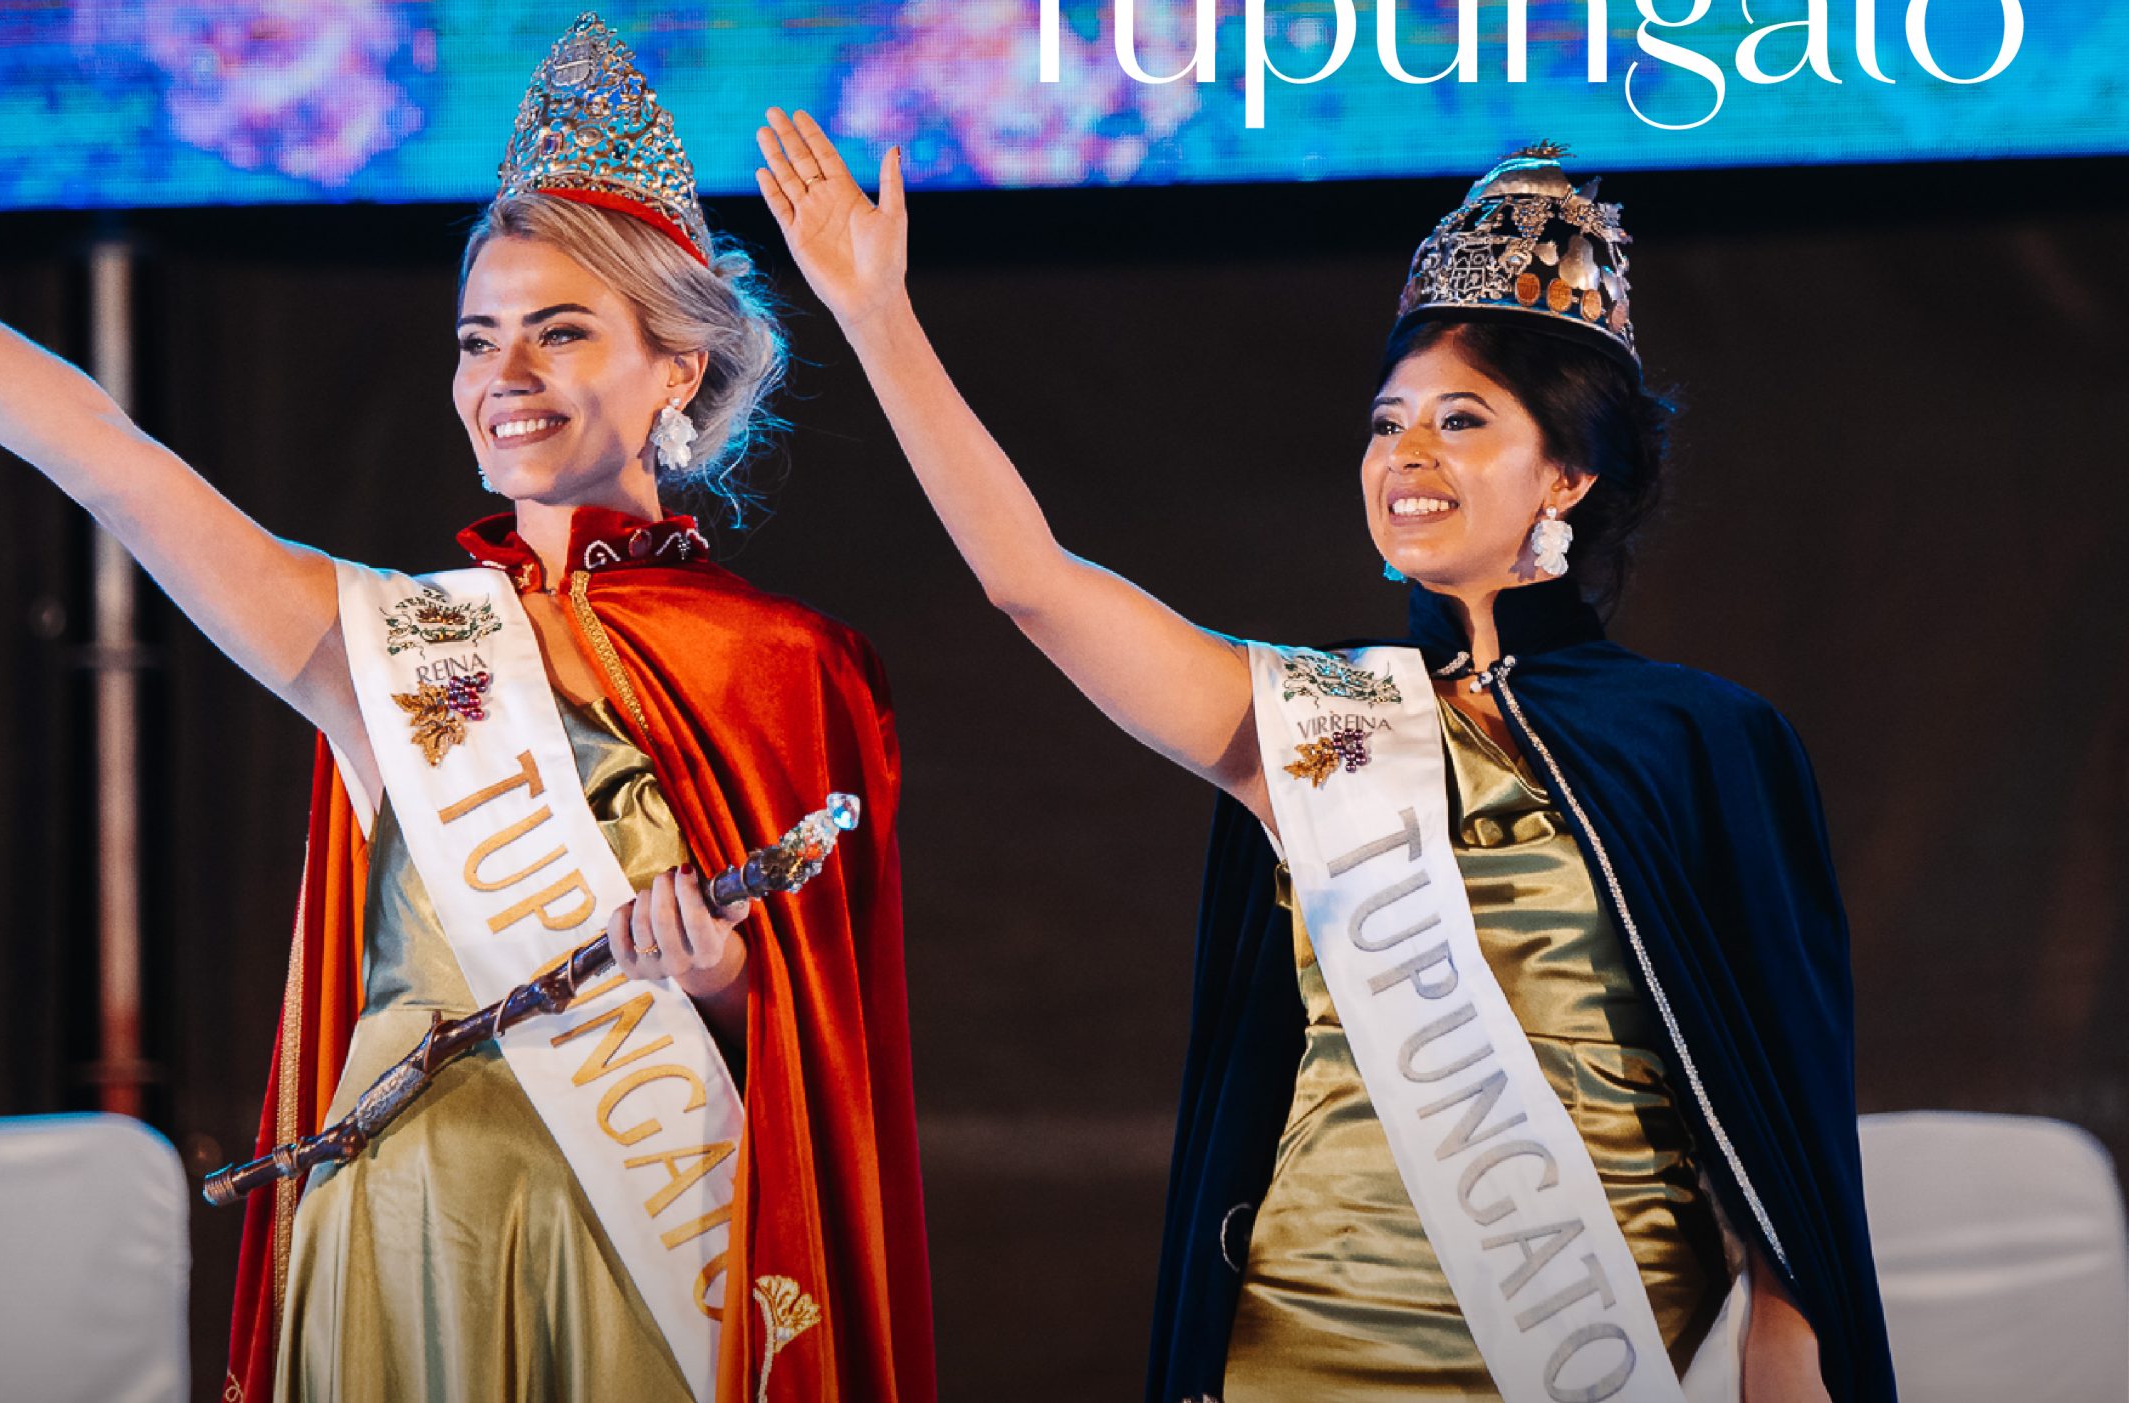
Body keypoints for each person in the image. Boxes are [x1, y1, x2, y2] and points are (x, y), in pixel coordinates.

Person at [0, 6, 935, 1403]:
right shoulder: (385, 641)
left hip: (652, 1236)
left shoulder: (781, 662)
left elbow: (831, 1045)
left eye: (560, 331)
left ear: (678, 367)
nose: (501, 375)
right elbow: (105, 455)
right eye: (478, 336)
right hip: (406, 1228)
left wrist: (721, 976)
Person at [752, 117, 1893, 1403]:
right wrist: (874, 316)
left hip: (1601, 1338)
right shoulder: (1305, 710)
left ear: (1565, 473)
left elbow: (1784, 1104)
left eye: (1461, 421)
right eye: (1386, 421)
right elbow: (1031, 584)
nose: (1405, 453)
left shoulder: (1701, 739)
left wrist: (1792, 1348)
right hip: (1311, 1338)